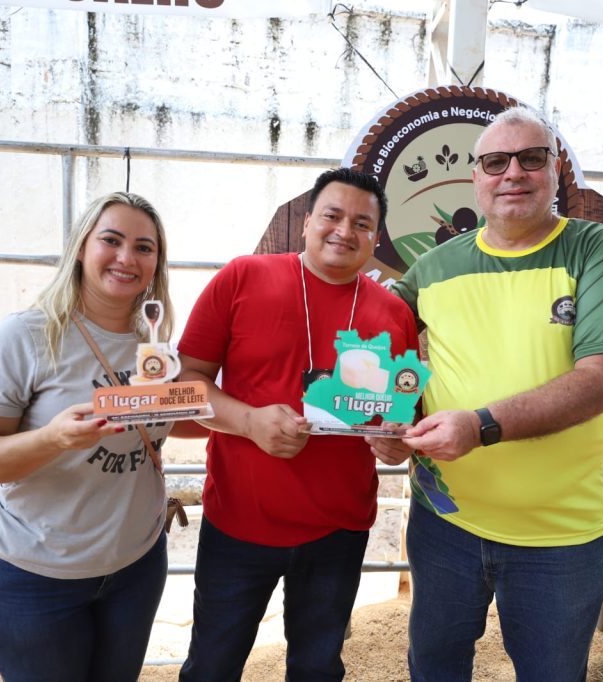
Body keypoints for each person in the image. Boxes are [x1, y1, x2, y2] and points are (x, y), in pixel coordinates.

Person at [391, 107, 603, 681]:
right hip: (444, 523)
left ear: (556, 169)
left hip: (559, 537)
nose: (512, 172)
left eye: (531, 158)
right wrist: (387, 428)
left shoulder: (601, 250)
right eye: (495, 161)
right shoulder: (432, 267)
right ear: (476, 177)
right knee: (435, 669)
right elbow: (384, 357)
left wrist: (480, 425)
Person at [176, 168, 419, 681]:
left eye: (361, 223)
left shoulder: (393, 312)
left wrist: (396, 442)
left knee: (317, 667)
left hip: (338, 528)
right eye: (331, 215)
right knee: (212, 665)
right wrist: (247, 421)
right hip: (238, 519)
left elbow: (400, 414)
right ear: (307, 221)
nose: (344, 231)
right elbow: (185, 386)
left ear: (375, 238)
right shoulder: (242, 277)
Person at [0, 191, 199, 681]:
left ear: (156, 264)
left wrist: (253, 419)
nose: (127, 257)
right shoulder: (24, 337)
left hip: (136, 566)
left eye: (144, 247)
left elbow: (174, 418)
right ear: (82, 247)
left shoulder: (154, 349)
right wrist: (53, 439)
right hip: (33, 576)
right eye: (112, 240)